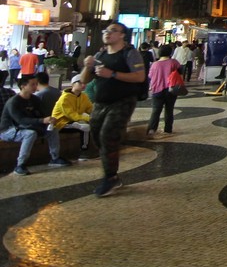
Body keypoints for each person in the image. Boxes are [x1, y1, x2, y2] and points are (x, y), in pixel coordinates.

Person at [81, 21, 146, 197]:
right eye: (106, 31)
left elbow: (140, 77)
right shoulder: (100, 54)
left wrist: (113, 74)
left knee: (107, 134)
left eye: (113, 31)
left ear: (122, 35)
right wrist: (88, 66)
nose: (108, 33)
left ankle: (110, 177)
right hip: (101, 102)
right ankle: (112, 170)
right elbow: (85, 80)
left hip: (123, 101)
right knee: (97, 135)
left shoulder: (130, 53)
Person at [0, 75, 69, 175]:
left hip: (28, 127)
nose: (35, 86)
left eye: (36, 84)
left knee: (53, 130)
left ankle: (55, 158)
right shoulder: (13, 102)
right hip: (9, 130)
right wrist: (41, 121)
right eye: (32, 84)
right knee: (30, 134)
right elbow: (21, 120)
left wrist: (50, 119)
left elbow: (41, 114)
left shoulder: (35, 99)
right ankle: (20, 164)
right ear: (23, 86)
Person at [146, 46, 181, 137]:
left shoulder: (154, 64)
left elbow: (150, 76)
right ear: (170, 52)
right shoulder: (174, 62)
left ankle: (152, 130)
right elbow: (180, 72)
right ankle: (168, 129)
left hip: (157, 89)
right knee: (169, 110)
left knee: (156, 111)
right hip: (171, 89)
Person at [51, 75, 92, 151]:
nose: (83, 85)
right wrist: (90, 118)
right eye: (80, 83)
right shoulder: (65, 98)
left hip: (75, 121)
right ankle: (84, 150)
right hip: (62, 123)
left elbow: (90, 108)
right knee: (85, 127)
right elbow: (72, 115)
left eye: (85, 83)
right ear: (72, 84)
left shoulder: (83, 96)